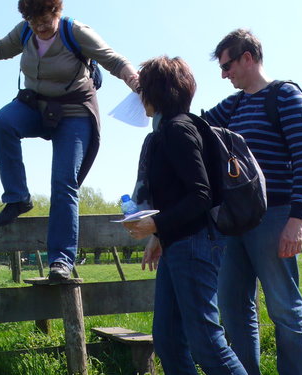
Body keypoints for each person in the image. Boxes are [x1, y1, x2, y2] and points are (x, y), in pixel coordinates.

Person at [0, 0, 138, 281]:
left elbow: (114, 60)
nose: (39, 27)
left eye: (45, 20)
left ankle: (61, 261)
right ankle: (17, 198)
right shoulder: (25, 31)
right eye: (33, 21)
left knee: (63, 182)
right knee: (3, 122)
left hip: (74, 113)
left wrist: (134, 79)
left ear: (57, 12)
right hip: (35, 107)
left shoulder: (75, 32)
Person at [203, 29, 302, 375]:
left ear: (247, 59)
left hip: (275, 217)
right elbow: (197, 126)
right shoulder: (233, 105)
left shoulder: (285, 96)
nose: (224, 74)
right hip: (234, 222)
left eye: (226, 66)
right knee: (234, 309)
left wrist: (296, 220)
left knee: (284, 308)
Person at [123, 55, 247, 375]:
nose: (140, 99)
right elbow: (178, 195)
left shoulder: (178, 129)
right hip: (178, 243)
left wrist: (156, 223)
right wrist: (159, 236)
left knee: (206, 342)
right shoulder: (170, 130)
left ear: (155, 92)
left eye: (142, 91)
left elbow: (200, 195)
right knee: (167, 340)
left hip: (195, 243)